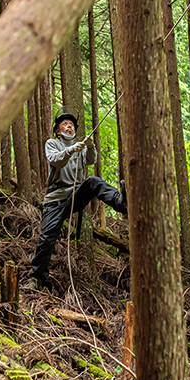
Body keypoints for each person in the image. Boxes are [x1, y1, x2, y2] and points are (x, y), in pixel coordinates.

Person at [26, 112, 126, 289]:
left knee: (94, 181)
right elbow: (55, 160)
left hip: (75, 195)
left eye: (71, 124)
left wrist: (90, 145)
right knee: (47, 238)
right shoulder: (53, 143)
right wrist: (73, 149)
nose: (69, 126)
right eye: (65, 124)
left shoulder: (81, 147)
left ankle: (120, 202)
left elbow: (91, 160)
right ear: (58, 130)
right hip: (55, 199)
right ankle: (37, 277)